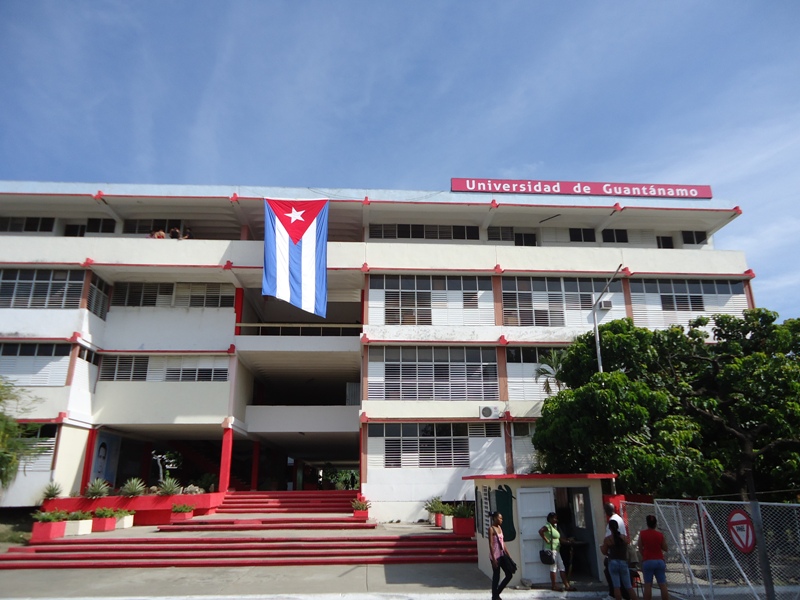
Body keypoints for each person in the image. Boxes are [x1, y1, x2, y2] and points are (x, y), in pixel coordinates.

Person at [601, 519, 639, 600]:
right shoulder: (624, 538)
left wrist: (602, 548)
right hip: (623, 562)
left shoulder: (608, 539)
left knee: (616, 586)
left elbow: (604, 552)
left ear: (610, 528)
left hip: (613, 562)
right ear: (618, 527)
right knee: (629, 586)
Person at [538, 512, 576, 591]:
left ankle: (567, 585)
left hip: (556, 550)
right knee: (553, 568)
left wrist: (568, 541)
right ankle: (554, 586)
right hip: (551, 550)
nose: (556, 520)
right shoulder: (548, 526)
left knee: (562, 567)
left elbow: (559, 539)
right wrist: (547, 540)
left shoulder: (554, 527)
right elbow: (540, 531)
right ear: (550, 519)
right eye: (554, 518)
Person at [638, 515, 669, 600]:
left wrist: (644, 555)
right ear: (655, 524)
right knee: (662, 584)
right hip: (659, 560)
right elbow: (665, 548)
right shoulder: (659, 535)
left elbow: (640, 547)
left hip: (648, 560)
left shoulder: (642, 534)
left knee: (648, 585)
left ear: (647, 523)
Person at [489, 511, 515, 600]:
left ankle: (497, 593)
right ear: (495, 518)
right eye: (500, 518)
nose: (501, 520)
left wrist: (508, 554)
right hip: (495, 556)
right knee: (496, 576)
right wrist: (493, 558)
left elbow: (502, 542)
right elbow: (491, 544)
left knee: (509, 574)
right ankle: (494, 596)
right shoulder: (491, 529)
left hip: (502, 555)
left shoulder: (500, 528)